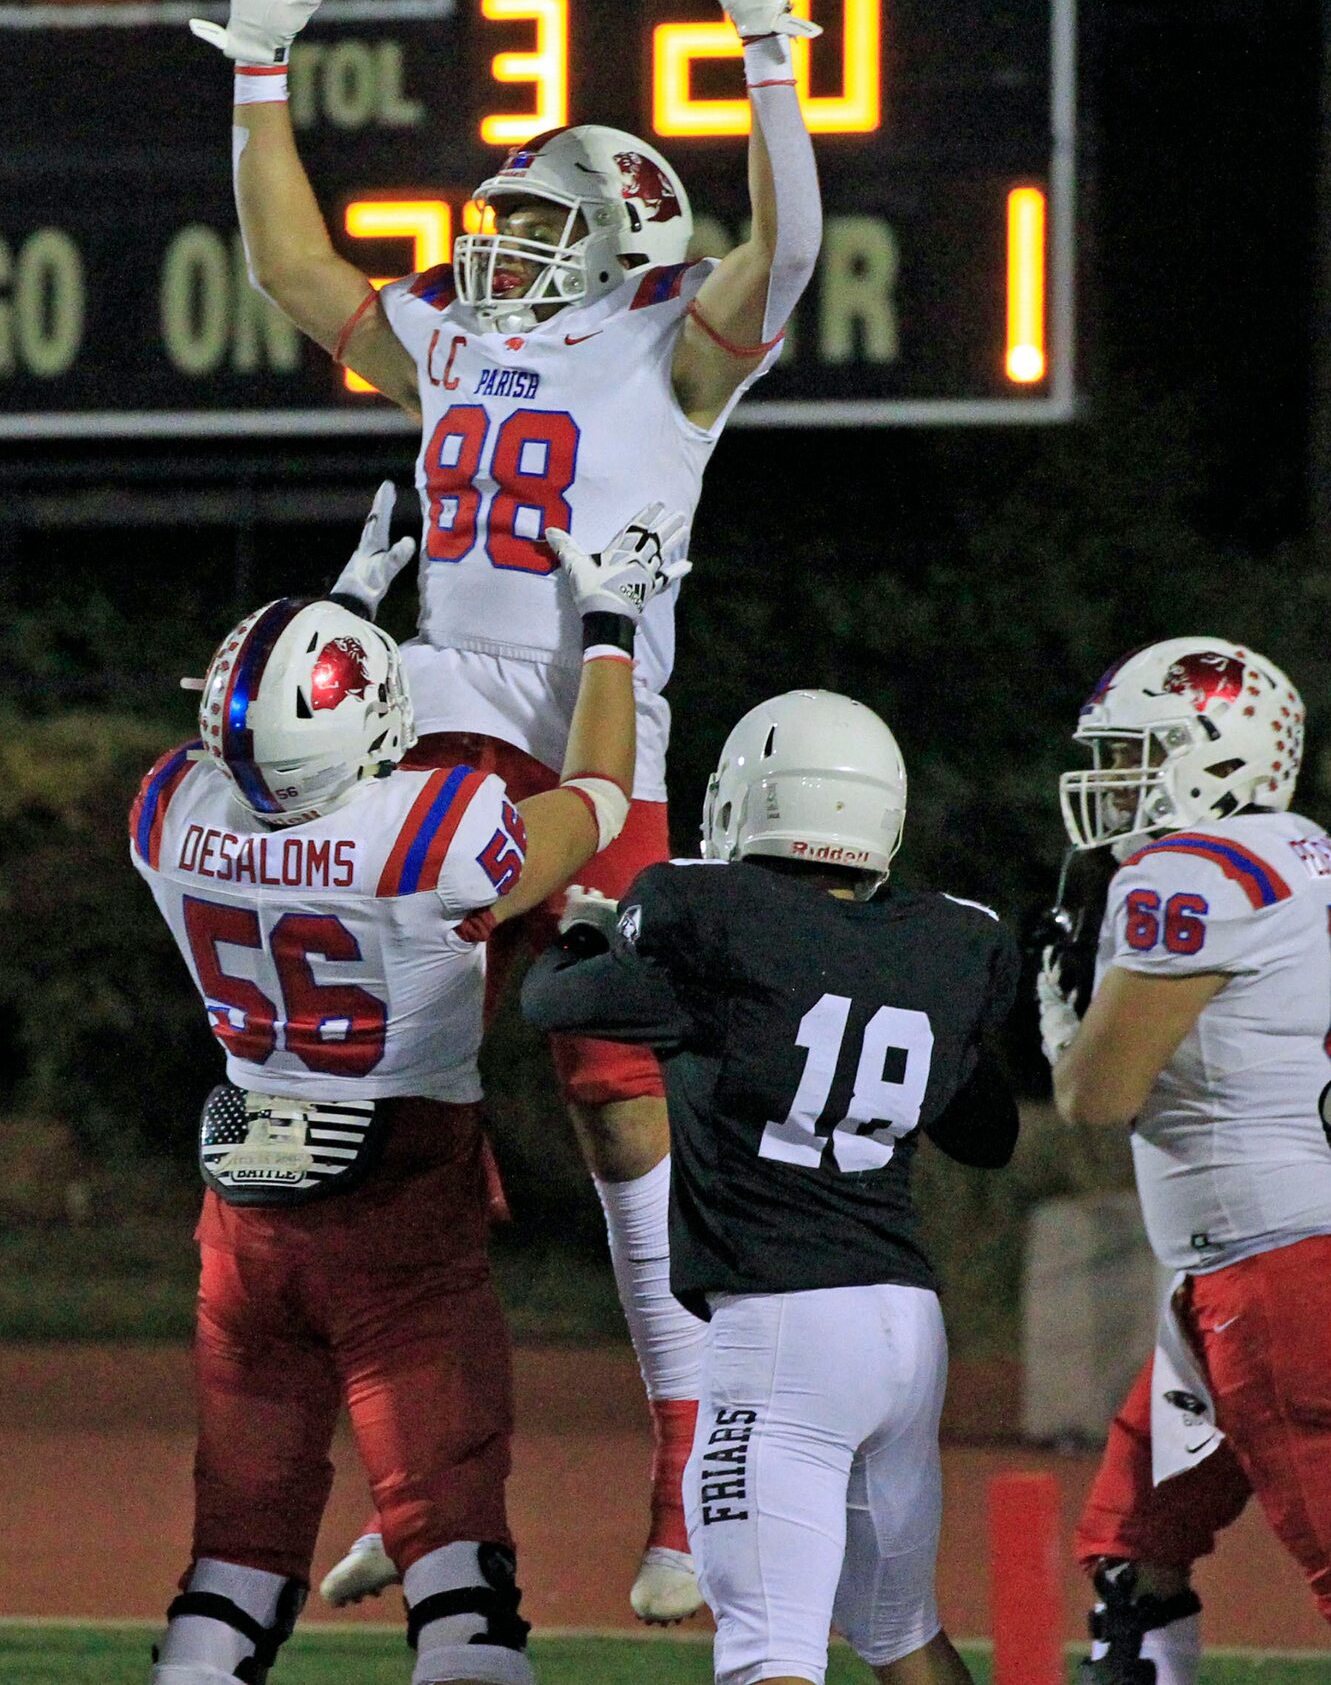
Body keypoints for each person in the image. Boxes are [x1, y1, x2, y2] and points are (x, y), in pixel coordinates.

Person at [189, 0, 825, 1620]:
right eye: (502, 218)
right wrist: (257, 76)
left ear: (624, 237)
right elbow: (297, 272)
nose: (500, 244)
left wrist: (769, 56)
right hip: (424, 733)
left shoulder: (672, 346)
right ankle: (430, 1466)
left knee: (619, 1104)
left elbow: (789, 255)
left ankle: (693, 1471)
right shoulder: (459, 339)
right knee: (387, 1094)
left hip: (589, 735)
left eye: (539, 220)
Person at [131, 505, 686, 1685]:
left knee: (232, 1560)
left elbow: (256, 760)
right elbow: (594, 792)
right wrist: (605, 629)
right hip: (395, 1199)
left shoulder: (168, 819)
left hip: (244, 1212)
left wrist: (335, 628)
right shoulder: (426, 834)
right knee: (455, 1564)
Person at [520, 690, 1020, 1685]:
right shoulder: (944, 940)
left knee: (769, 1652)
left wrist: (584, 931)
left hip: (783, 1330)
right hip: (905, 1328)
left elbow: (555, 1003)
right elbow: (988, 1132)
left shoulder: (713, 916)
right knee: (903, 1634)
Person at [1038, 636, 1331, 1684]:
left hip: (1280, 1273)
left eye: (1137, 752)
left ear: (1217, 754)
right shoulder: (1302, 853)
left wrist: (1061, 1019)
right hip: (1246, 1267)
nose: (1114, 780)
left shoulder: (1190, 875)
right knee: (1133, 1542)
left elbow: (1096, 1096)